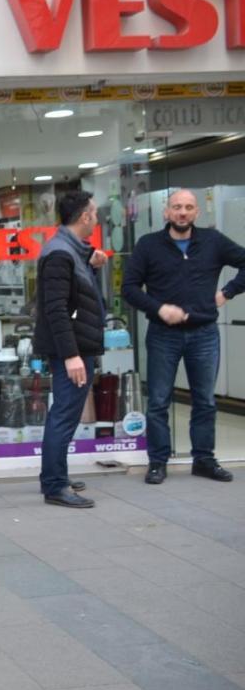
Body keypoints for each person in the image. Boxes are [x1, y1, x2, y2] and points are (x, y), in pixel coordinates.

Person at [122, 189, 245, 485]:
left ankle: (204, 460)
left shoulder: (213, 241)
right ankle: (158, 462)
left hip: (204, 333)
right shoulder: (148, 245)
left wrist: (227, 293)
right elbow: (129, 288)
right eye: (177, 207)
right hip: (163, 334)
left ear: (196, 213)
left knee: (205, 401)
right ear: (166, 211)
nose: (182, 212)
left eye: (188, 207)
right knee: (159, 402)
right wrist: (159, 308)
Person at [34, 190, 108, 508]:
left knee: (65, 413)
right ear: (84, 217)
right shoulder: (60, 253)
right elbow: (56, 309)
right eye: (94, 212)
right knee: (64, 414)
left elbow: (74, 296)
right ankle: (55, 485)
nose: (96, 218)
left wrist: (91, 266)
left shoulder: (72, 251)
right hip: (73, 349)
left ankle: (56, 475)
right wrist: (71, 355)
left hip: (78, 346)